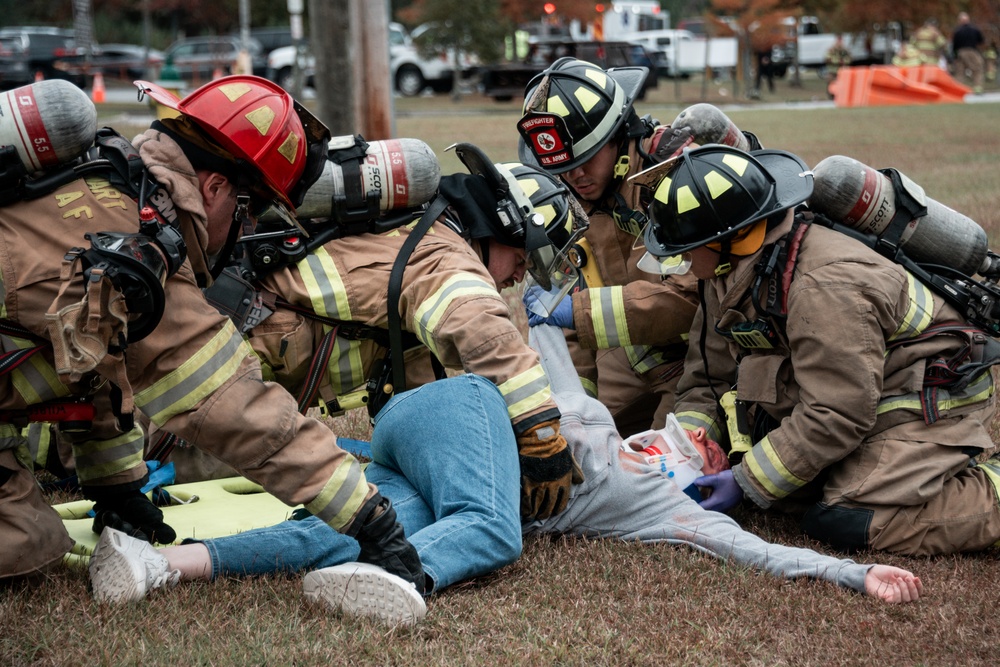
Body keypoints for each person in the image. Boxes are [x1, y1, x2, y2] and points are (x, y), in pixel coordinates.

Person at [91, 321, 925, 609]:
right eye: (699, 434)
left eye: (713, 451)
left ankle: (157, 565)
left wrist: (852, 576)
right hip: (456, 410)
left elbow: (758, 550)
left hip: (440, 473)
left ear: (710, 475)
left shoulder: (660, 507)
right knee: (492, 531)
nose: (699, 444)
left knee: (338, 533)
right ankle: (409, 582)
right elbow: (534, 339)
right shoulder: (599, 414)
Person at [88, 153, 587, 624]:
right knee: (485, 528)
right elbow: (484, 330)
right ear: (502, 225)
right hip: (214, 371)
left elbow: (416, 383)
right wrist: (541, 434)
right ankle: (386, 577)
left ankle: (161, 563)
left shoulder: (416, 238)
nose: (520, 276)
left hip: (357, 403)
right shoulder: (443, 256)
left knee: (369, 518)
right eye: (524, 259)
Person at [0, 75, 423, 612]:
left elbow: (100, 365)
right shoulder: (131, 241)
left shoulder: (109, 196)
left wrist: (116, 487)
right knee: (26, 548)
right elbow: (233, 406)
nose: (244, 231)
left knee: (31, 533)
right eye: (247, 211)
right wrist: (371, 518)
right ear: (216, 188)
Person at [638, 143, 1000, 557]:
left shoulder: (824, 284)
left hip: (928, 397)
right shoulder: (725, 269)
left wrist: (744, 482)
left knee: (851, 516)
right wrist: (687, 444)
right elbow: (706, 377)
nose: (680, 261)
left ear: (731, 237)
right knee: (791, 492)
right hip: (864, 394)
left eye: (685, 250)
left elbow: (839, 412)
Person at [516, 57, 719, 437]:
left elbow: (688, 301)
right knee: (583, 449)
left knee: (657, 469)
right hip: (631, 356)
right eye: (562, 166)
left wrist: (577, 313)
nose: (574, 176)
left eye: (586, 159)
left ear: (618, 135)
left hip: (700, 359)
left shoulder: (676, 177)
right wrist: (577, 415)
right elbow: (570, 316)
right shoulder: (570, 192)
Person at [952, 12, 985, 93]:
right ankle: (978, 88)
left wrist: (955, 56)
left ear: (959, 21)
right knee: (977, 69)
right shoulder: (975, 29)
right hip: (971, 51)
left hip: (960, 52)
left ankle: (958, 89)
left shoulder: (957, 31)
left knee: (960, 72)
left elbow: (954, 45)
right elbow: (981, 41)